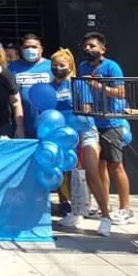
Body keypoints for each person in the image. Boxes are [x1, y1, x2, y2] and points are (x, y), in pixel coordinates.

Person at [51, 48, 114, 236]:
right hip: (65, 136)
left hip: (86, 132)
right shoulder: (50, 87)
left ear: (70, 66)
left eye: (61, 65)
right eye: (54, 65)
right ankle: (76, 212)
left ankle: (105, 217)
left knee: (92, 173)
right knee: (72, 175)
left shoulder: (78, 84)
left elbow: (86, 108)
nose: (57, 68)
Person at [77, 32, 133, 226]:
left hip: (112, 122)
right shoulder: (83, 67)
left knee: (116, 165)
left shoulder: (111, 66)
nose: (88, 49)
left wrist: (98, 86)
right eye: (86, 45)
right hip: (93, 123)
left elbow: (120, 92)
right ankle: (105, 205)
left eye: (92, 46)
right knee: (99, 166)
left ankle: (125, 208)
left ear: (102, 49)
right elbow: (83, 91)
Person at [9, 33, 53, 138]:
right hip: (22, 122)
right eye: (26, 47)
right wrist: (19, 127)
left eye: (34, 47)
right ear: (21, 49)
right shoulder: (13, 67)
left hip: (47, 123)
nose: (30, 50)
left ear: (41, 49)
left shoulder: (52, 66)